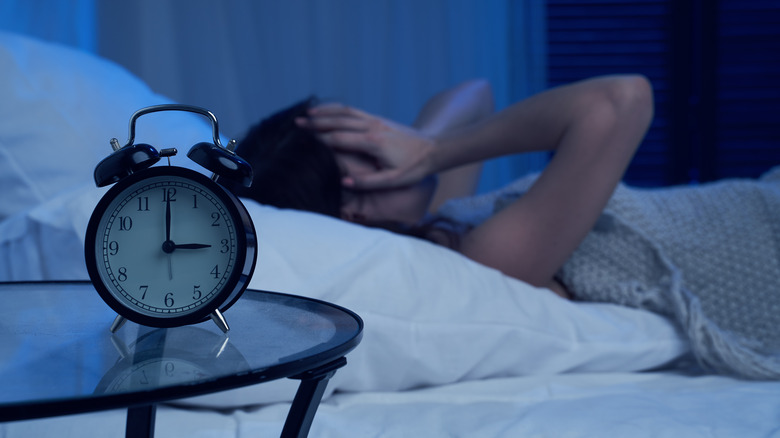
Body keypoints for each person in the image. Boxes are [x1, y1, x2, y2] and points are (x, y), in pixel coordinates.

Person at [227, 75, 780, 380]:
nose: (392, 145)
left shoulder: (435, 216)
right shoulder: (487, 257)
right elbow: (621, 100)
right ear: (354, 213)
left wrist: (422, 147)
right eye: (370, 154)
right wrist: (435, 151)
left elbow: (472, 94)